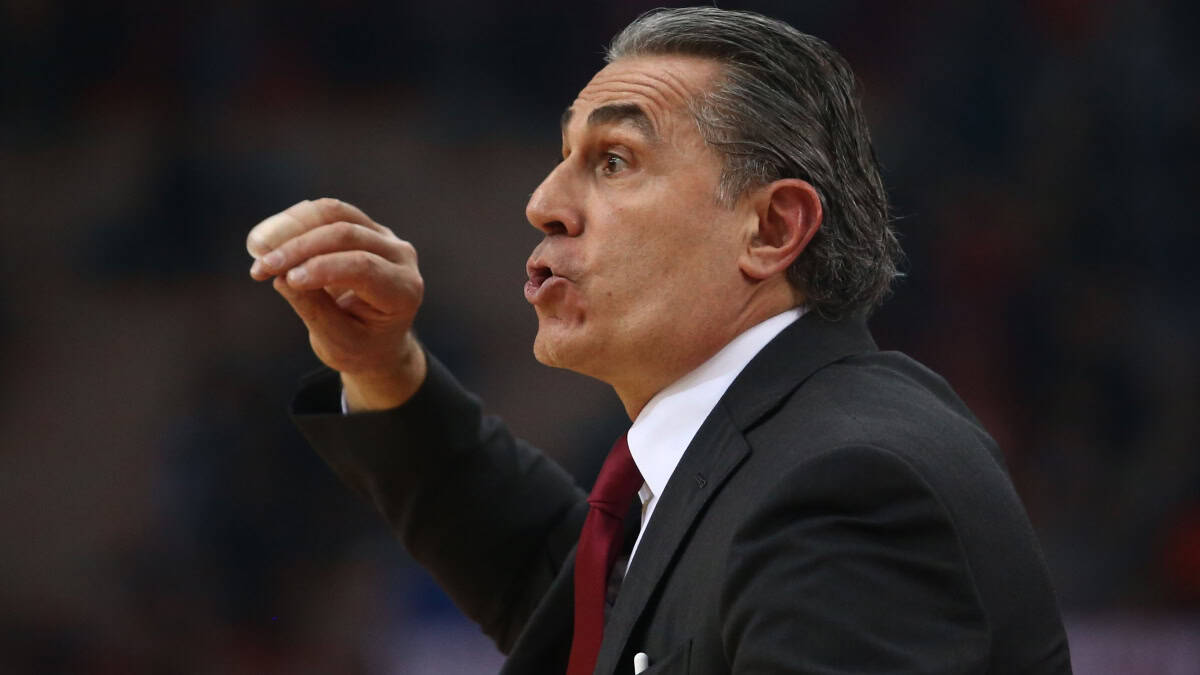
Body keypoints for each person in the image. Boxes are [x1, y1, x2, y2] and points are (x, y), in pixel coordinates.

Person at [247, 7, 1071, 674]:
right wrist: (381, 367)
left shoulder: (848, 485)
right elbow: (580, 600)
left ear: (771, 228)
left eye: (614, 160)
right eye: (564, 155)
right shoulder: (781, 451)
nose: (543, 201)